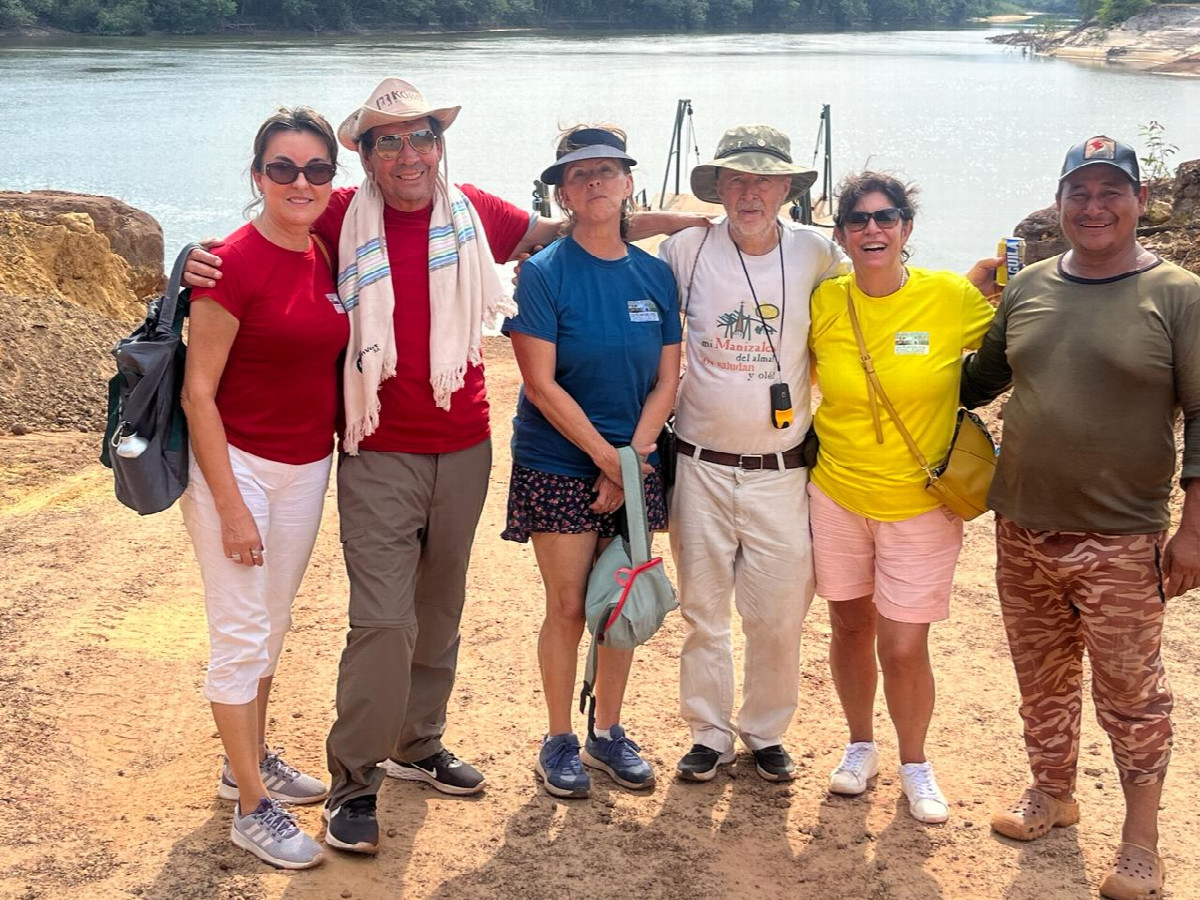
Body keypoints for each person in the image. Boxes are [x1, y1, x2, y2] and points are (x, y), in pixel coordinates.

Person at [183, 77, 705, 855]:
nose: (407, 154)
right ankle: (354, 780)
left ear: (439, 145)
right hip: (377, 446)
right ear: (361, 156)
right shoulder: (333, 211)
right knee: (384, 621)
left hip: (464, 444)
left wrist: (706, 228)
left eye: (421, 136)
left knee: (440, 610)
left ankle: (416, 744)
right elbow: (264, 233)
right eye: (386, 140)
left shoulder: (475, 212)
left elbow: (578, 225)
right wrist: (195, 259)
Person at [962, 135, 1200, 900]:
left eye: (1110, 192)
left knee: (1133, 694)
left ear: (1137, 203)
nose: (1093, 207)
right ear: (1060, 202)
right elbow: (974, 381)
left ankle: (1140, 841)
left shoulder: (1179, 295)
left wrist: (1193, 528)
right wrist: (923, 306)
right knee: (1042, 677)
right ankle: (1054, 793)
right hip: (1022, 523)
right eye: (1079, 193)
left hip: (1123, 535)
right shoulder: (1029, 285)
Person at [179, 106, 348, 869]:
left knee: (272, 623)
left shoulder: (323, 251)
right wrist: (231, 505)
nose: (300, 181)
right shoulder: (232, 262)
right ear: (258, 177)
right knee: (239, 634)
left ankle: (243, 760)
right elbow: (197, 394)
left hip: (307, 464)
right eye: (283, 168)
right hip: (236, 465)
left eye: (316, 168)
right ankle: (252, 807)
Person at [657, 125, 848, 784]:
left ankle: (765, 731)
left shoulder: (818, 254)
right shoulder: (687, 248)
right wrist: (682, 215)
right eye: (736, 179)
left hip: (782, 470)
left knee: (777, 615)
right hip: (700, 463)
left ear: (788, 189)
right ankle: (707, 732)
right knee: (702, 611)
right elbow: (610, 229)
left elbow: (881, 291)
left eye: (765, 180)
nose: (750, 192)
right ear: (718, 187)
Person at [807, 172, 996, 824]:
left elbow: (1024, 336)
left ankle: (915, 761)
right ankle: (860, 745)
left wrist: (1013, 272)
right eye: (857, 221)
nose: (872, 230)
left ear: (907, 229)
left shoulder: (948, 297)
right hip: (836, 495)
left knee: (905, 645)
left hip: (920, 504)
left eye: (886, 218)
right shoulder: (825, 301)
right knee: (850, 627)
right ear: (841, 236)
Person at [501, 125, 681, 799]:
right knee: (571, 604)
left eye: (607, 171)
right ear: (564, 195)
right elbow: (541, 385)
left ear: (629, 184)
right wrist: (609, 462)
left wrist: (629, 461)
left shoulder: (655, 273)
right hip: (557, 459)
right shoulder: (544, 275)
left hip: (634, 457)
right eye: (579, 176)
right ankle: (558, 740)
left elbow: (668, 380)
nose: (595, 183)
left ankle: (608, 730)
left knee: (620, 599)